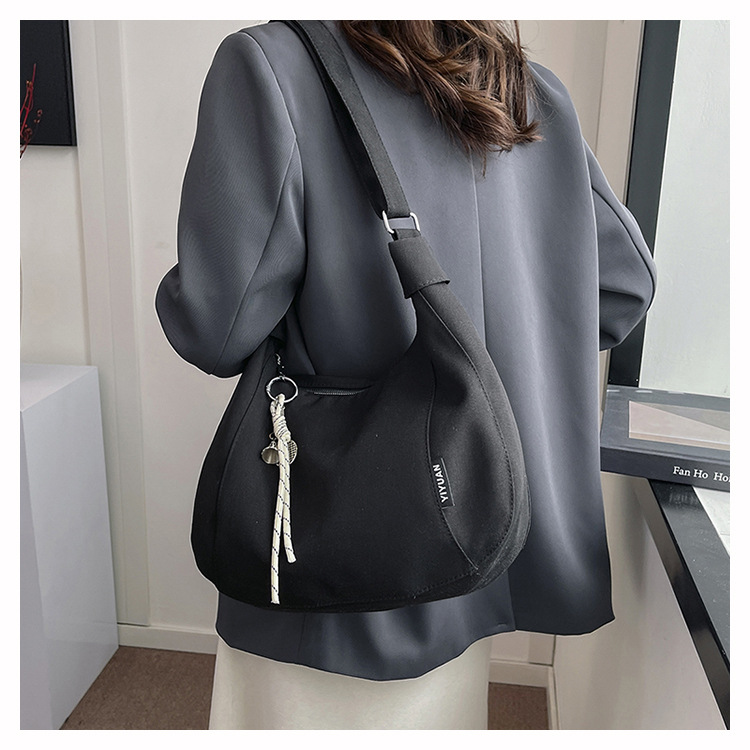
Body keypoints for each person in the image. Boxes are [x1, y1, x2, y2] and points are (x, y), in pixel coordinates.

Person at [156, 20, 656, 729]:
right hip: (486, 526)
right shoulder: (523, 89)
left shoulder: (271, 66)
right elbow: (624, 286)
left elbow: (215, 328)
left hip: (347, 546)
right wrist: (512, 355)